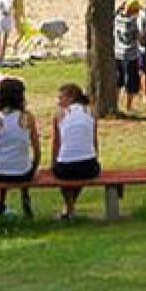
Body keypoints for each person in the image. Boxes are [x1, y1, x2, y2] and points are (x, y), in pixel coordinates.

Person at [0, 76, 42, 217]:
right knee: (22, 160)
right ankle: (25, 195)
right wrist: (34, 167)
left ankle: (1, 203)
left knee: (3, 160)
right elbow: (37, 150)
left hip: (0, 174)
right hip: (24, 173)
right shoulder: (28, 118)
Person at [49, 83, 100, 220]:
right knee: (79, 174)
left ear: (71, 98)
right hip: (89, 166)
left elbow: (56, 143)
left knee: (63, 174)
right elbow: (94, 139)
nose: (58, 101)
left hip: (65, 168)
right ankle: (70, 207)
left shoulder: (59, 115)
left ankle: (69, 207)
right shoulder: (91, 112)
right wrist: (95, 157)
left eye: (61, 98)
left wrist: (53, 162)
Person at [113, 0, 144, 114]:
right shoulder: (132, 22)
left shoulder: (117, 19)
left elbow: (116, 13)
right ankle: (128, 106)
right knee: (130, 82)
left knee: (118, 80)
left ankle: (115, 104)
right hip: (131, 55)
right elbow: (139, 37)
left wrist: (121, 6)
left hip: (118, 53)